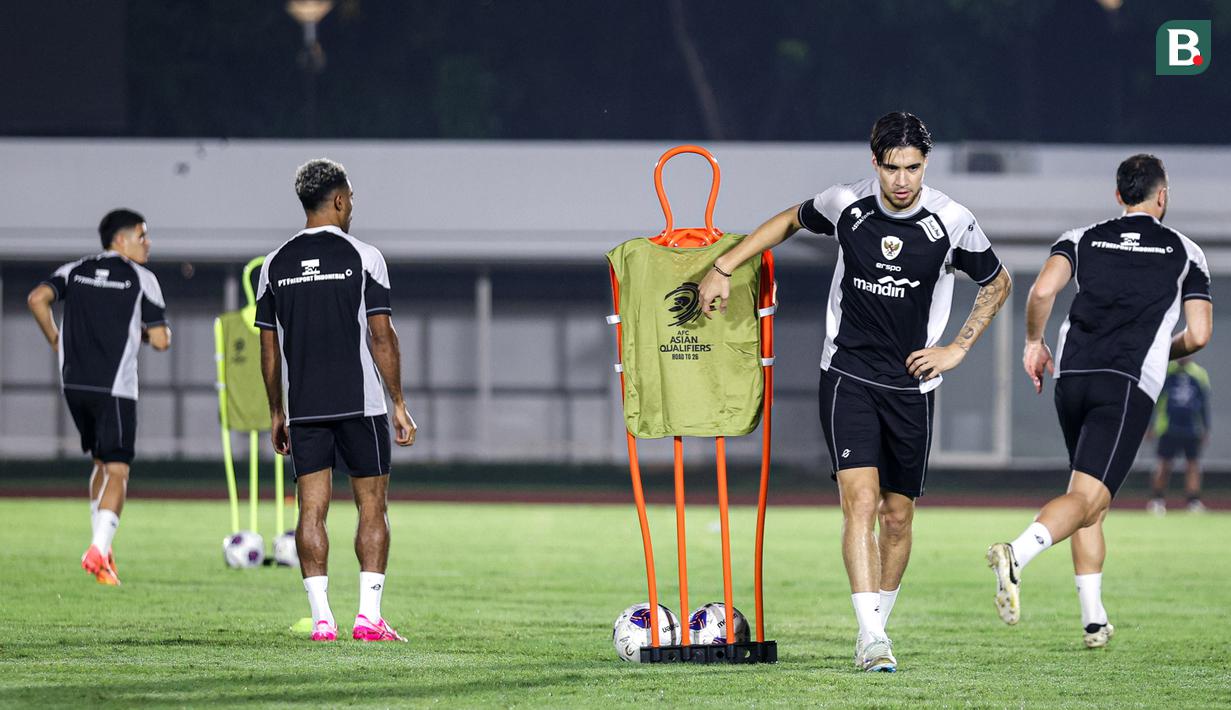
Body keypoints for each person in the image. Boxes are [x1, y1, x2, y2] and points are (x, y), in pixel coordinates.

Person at [697, 112, 1011, 672]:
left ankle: (875, 628)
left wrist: (957, 348)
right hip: (847, 375)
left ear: (925, 165)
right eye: (892, 167)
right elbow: (789, 220)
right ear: (876, 163)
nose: (903, 181)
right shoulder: (848, 204)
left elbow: (998, 281)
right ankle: (870, 638)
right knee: (860, 504)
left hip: (913, 386)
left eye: (913, 168)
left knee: (897, 517)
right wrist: (724, 265)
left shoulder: (952, 221)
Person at [989, 154, 1212, 649]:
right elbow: (1198, 335)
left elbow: (1043, 289)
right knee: (1088, 498)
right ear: (1162, 196)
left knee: (1089, 499)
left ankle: (1093, 620)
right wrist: (1161, 350)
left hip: (1073, 378)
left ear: (1118, 196)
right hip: (1126, 382)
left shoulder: (1081, 236)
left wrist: (1033, 342)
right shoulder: (1186, 252)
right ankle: (1016, 555)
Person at [256, 158, 417, 643]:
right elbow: (381, 335)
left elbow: (269, 351)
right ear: (340, 200)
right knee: (372, 507)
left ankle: (323, 618)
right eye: (352, 200)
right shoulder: (364, 256)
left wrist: (277, 411)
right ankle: (368, 618)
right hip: (361, 404)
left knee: (311, 511)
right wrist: (399, 402)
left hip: (305, 407)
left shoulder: (274, 263)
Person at [26, 209, 171, 586]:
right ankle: (97, 549)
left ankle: (103, 558)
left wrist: (56, 341)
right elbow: (160, 340)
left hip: (73, 384)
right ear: (120, 241)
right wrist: (143, 333)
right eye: (143, 236)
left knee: (101, 464)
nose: (148, 243)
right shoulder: (142, 278)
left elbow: (37, 299)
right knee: (119, 469)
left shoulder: (74, 269)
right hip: (116, 389)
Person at [1148, 357, 1211, 515]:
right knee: (1164, 464)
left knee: (1192, 465)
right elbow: (1155, 400)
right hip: (1168, 427)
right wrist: (1151, 426)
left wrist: (1206, 427)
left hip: (1191, 428)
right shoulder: (1166, 371)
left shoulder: (1199, 374)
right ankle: (1157, 499)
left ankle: (1193, 501)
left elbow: (1204, 403)